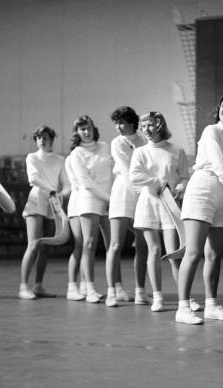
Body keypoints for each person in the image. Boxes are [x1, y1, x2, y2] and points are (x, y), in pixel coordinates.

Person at [175, 93, 223, 325]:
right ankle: (183, 308)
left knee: (214, 254)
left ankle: (211, 305)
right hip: (202, 189)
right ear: (219, 110)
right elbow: (218, 163)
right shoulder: (211, 131)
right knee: (193, 252)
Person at [130, 111, 190, 312]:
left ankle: (185, 298)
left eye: (150, 125)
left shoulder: (176, 150)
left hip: (170, 205)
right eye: (143, 126)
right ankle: (158, 297)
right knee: (154, 250)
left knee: (174, 253)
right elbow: (135, 176)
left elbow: (184, 177)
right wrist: (156, 182)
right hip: (149, 204)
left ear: (160, 125)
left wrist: (180, 188)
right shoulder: (140, 152)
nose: (146, 129)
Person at [18, 126, 70, 300]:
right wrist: (53, 190)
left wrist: (60, 195)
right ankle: (23, 287)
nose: (41, 140)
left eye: (45, 136)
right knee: (33, 244)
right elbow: (33, 178)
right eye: (38, 137)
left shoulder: (60, 159)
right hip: (37, 199)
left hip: (53, 202)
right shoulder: (31, 157)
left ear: (52, 138)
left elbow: (67, 183)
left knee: (46, 246)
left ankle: (38, 285)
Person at [65, 115, 112, 303]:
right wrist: (110, 199)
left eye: (89, 127)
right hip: (86, 200)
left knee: (111, 245)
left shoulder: (105, 147)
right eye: (82, 129)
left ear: (94, 128)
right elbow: (85, 183)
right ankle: (81, 288)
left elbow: (111, 173)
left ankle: (112, 288)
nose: (86, 131)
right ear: (76, 132)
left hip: (106, 201)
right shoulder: (76, 154)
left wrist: (111, 198)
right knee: (85, 244)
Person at [105, 106, 149, 307]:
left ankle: (140, 292)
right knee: (115, 244)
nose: (118, 127)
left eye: (121, 122)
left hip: (142, 195)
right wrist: (141, 191)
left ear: (132, 122)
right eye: (116, 123)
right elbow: (126, 169)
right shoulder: (117, 142)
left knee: (142, 245)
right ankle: (111, 292)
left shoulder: (145, 141)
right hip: (123, 193)